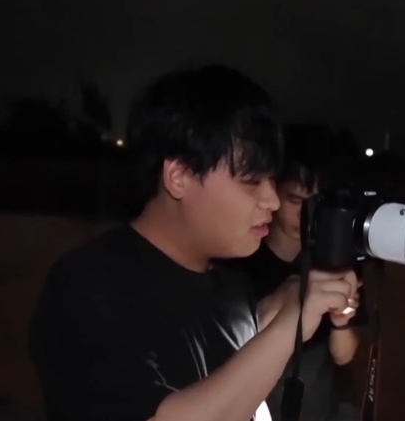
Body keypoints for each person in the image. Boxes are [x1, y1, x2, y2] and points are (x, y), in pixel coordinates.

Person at [28, 65, 361, 421]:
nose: (272, 201)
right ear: (179, 177)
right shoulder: (89, 284)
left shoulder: (233, 289)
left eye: (271, 180)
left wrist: (274, 314)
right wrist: (287, 325)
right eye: (251, 181)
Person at [233, 127, 367, 421]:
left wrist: (341, 322)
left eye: (316, 203)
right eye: (295, 200)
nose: (306, 213)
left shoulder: (336, 259)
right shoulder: (239, 257)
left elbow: (344, 355)